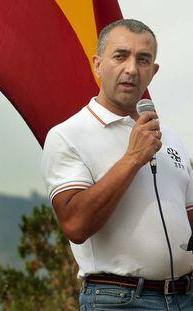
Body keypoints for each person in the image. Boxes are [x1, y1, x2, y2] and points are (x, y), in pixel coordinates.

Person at [41, 19, 193, 310]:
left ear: (153, 72)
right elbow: (75, 224)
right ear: (98, 65)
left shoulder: (168, 135)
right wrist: (133, 158)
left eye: (143, 60)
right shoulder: (67, 135)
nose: (132, 69)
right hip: (119, 300)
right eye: (120, 56)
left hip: (184, 297)